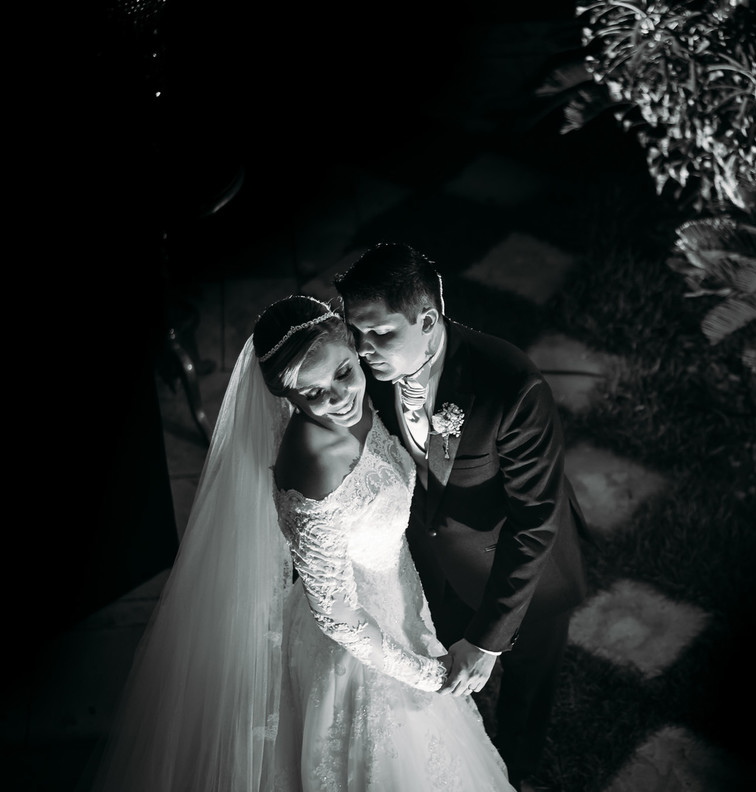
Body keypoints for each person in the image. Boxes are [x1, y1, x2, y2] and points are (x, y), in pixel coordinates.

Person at [91, 295, 515, 791]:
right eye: (311, 393)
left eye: (342, 373)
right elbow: (338, 617)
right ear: (285, 397)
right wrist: (428, 676)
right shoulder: (313, 469)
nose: (337, 397)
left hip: (397, 594)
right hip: (362, 647)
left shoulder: (357, 402)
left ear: (354, 350)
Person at [335, 243, 590, 789]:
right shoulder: (365, 377)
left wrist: (489, 641)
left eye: (380, 333)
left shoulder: (512, 388)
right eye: (356, 333)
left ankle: (515, 775)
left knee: (525, 691)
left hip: (527, 577)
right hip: (436, 567)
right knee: (442, 695)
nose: (364, 349)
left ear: (427, 321)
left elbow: (536, 520)